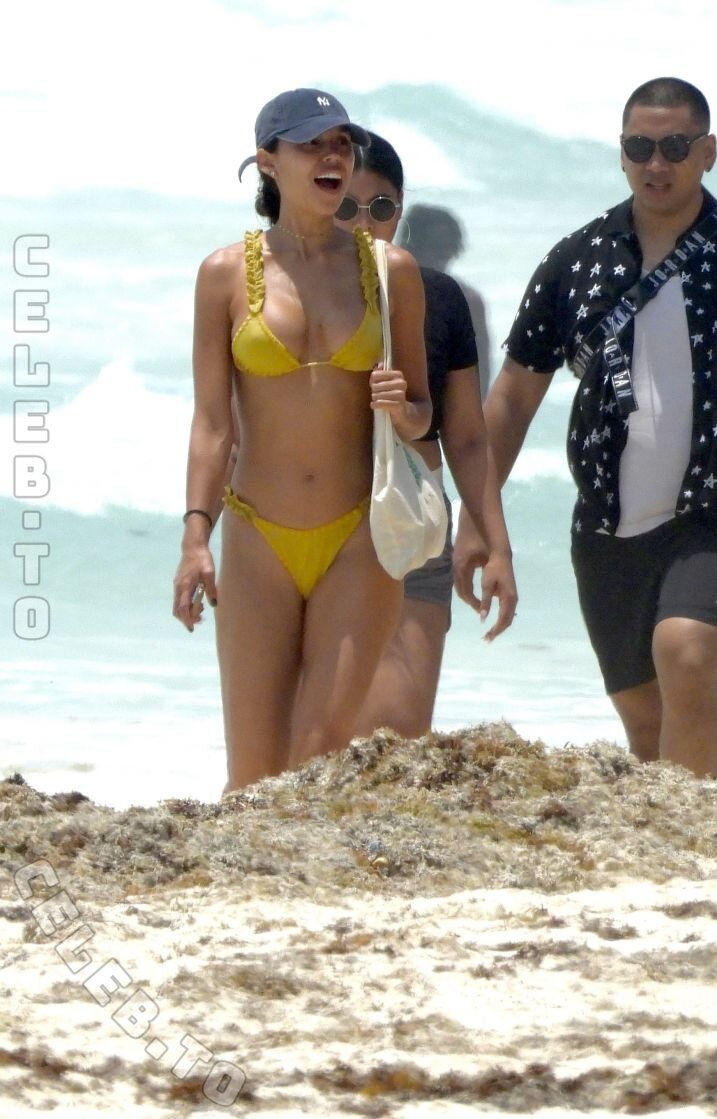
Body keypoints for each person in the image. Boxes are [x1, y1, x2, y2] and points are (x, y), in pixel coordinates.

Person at [455, 77, 717, 778]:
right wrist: (477, 522)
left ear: (707, 152)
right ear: (621, 154)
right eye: (639, 147)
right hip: (606, 525)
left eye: (675, 147)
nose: (656, 163)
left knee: (688, 656)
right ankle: (668, 826)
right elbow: (511, 402)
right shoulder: (576, 261)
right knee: (644, 717)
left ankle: (700, 821)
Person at [172, 90, 431, 791]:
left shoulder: (391, 271)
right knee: (252, 777)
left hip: (359, 535)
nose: (331, 156)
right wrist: (195, 538)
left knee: (317, 756)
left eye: (340, 143)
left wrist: (404, 411)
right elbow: (212, 422)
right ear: (268, 161)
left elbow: (421, 412)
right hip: (257, 535)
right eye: (312, 143)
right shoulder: (224, 274)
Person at [337, 133, 517, 737]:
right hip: (311, 522)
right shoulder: (286, 294)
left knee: (395, 735)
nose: (364, 223)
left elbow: (468, 432)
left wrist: (494, 541)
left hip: (411, 510)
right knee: (311, 741)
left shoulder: (447, 300)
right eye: (347, 206)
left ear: (401, 211)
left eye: (382, 208)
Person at [401, 204, 492, 397]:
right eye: (432, 248)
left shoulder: (469, 301)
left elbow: (479, 380)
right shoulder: (384, 292)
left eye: (445, 249)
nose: (438, 257)